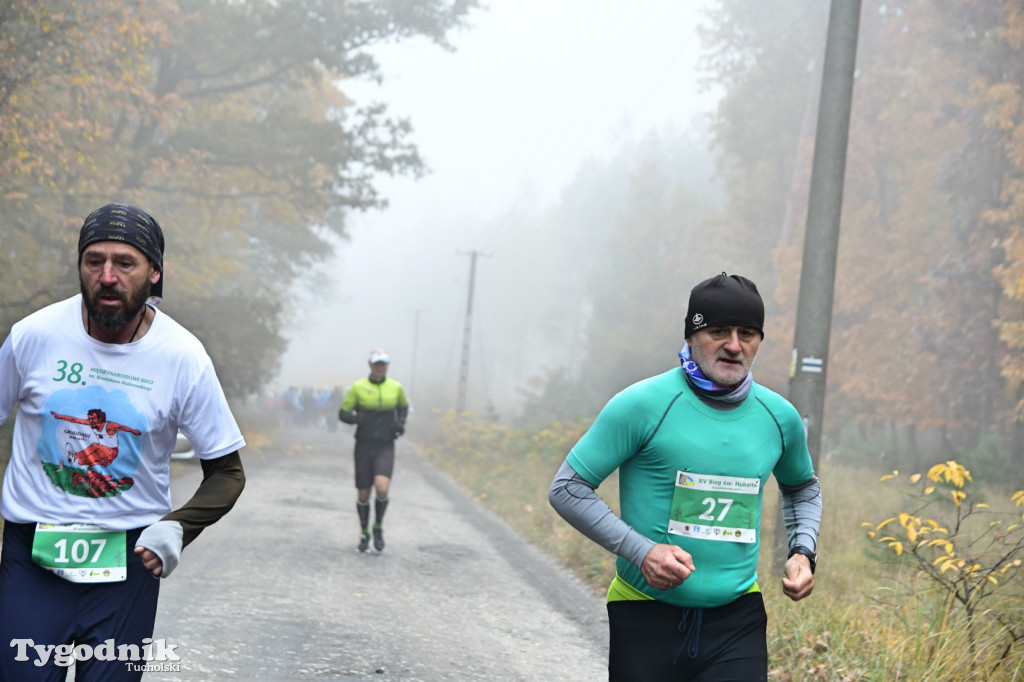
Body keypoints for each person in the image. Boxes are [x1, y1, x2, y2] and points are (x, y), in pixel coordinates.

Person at [0, 203, 247, 681]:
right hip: (32, 558)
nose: (107, 276)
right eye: (95, 261)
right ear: (80, 267)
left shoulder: (183, 357)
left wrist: (178, 527)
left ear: (155, 273)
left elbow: (228, 473)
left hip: (128, 564)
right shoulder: (33, 336)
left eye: (125, 263)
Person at [549, 273, 822, 681]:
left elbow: (802, 487)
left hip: (738, 620)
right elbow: (568, 488)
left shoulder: (779, 416)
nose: (734, 345)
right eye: (718, 331)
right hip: (644, 615)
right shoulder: (643, 404)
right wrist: (641, 551)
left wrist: (803, 551)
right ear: (692, 335)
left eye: (747, 333)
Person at [338, 349, 409, 553]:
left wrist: (400, 423)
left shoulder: (396, 387)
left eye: (383, 364)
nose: (380, 367)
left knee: (382, 487)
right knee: (363, 492)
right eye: (376, 363)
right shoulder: (359, 387)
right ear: (370, 365)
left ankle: (377, 527)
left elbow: (403, 407)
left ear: (387, 365)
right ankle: (363, 532)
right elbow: (343, 413)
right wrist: (356, 419)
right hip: (364, 444)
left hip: (385, 443)